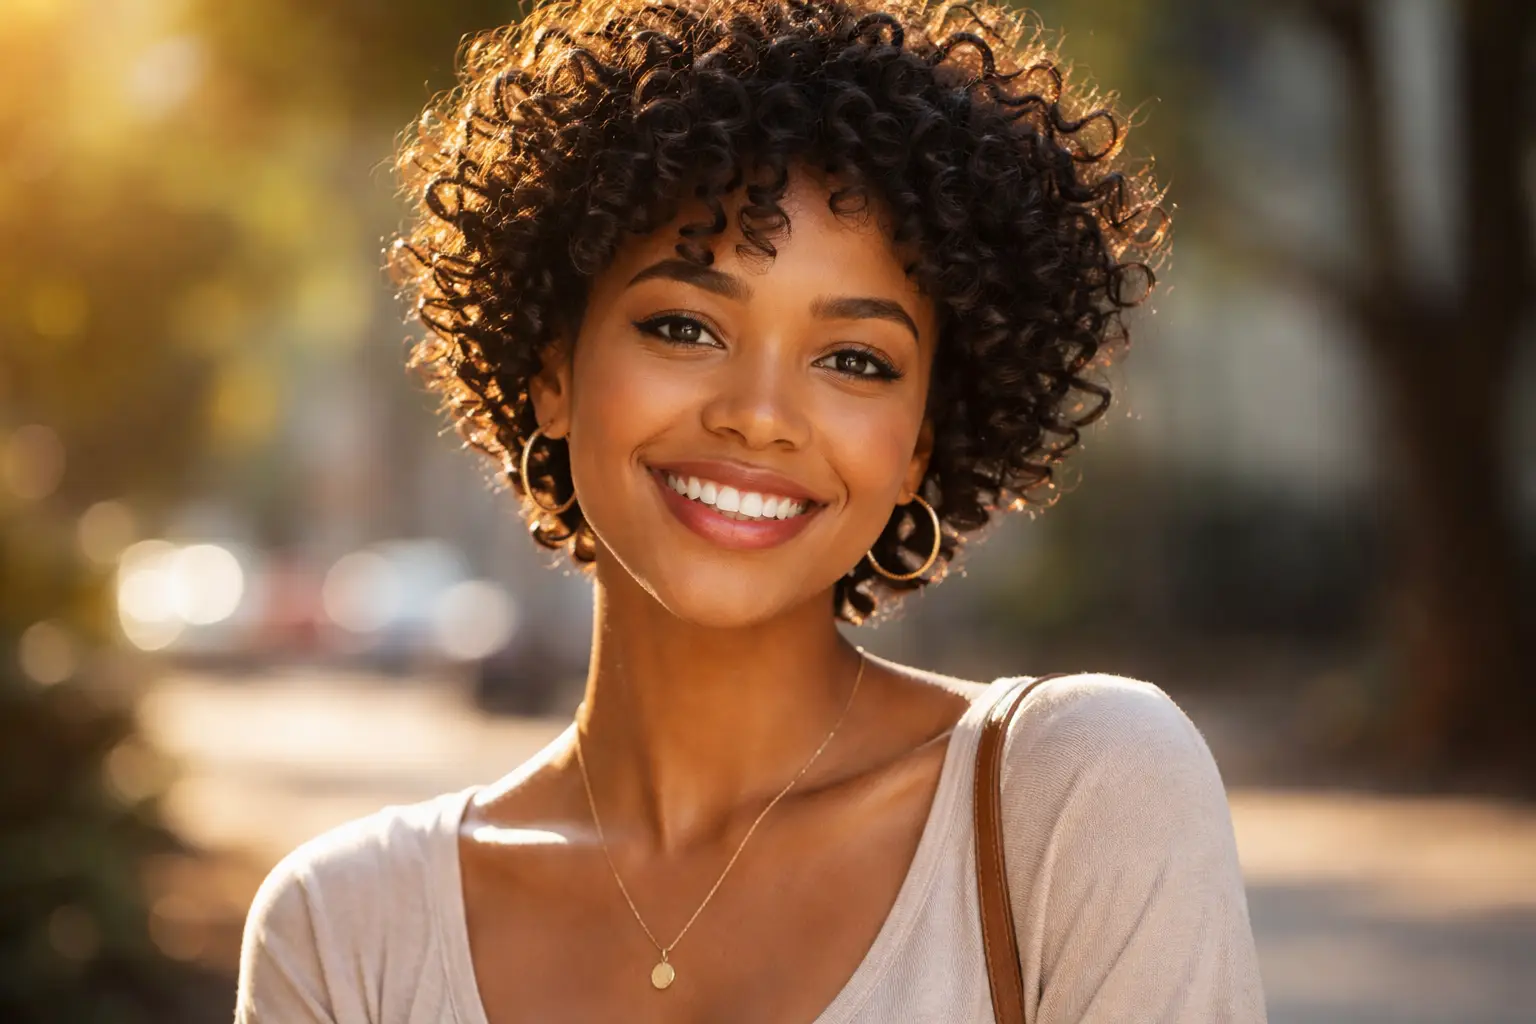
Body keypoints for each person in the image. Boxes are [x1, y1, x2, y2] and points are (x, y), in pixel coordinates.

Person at [234, 0, 1266, 1020]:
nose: (759, 417)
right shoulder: (340, 932)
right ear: (555, 369)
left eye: (855, 359)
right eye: (684, 326)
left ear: (919, 446)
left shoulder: (1080, 795)